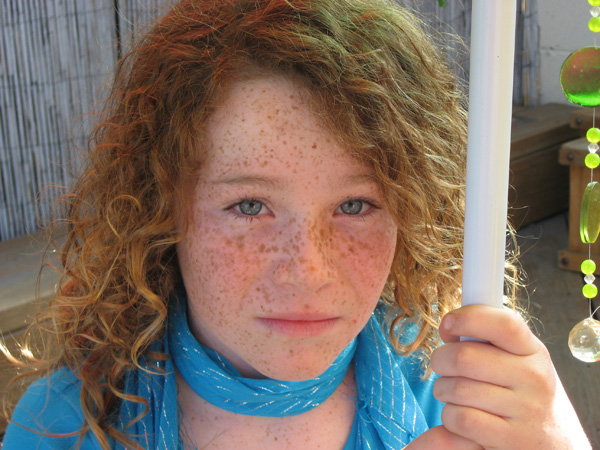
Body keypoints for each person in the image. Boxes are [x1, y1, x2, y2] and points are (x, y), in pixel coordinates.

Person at [2, 0, 590, 449]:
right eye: (249, 206)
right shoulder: (64, 427)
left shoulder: (464, 401)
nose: (308, 271)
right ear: (159, 211)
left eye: (355, 206)